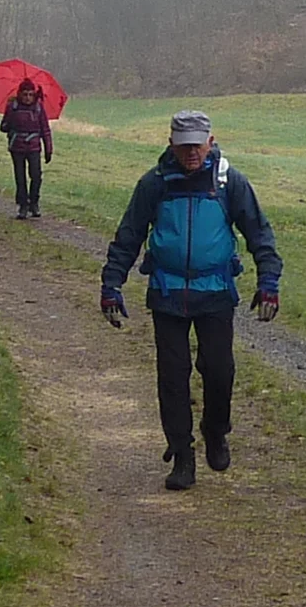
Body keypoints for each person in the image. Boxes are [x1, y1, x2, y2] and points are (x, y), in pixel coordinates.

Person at [99, 110, 283, 491]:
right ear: (171, 145)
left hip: (215, 293)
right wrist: (111, 285)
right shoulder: (154, 184)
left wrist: (268, 281)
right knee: (172, 376)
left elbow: (259, 233)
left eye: (197, 145)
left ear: (210, 142)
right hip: (167, 294)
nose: (191, 153)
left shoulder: (230, 183)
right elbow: (129, 235)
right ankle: (182, 453)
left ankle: (215, 431)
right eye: (184, 147)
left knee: (219, 371)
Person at [0, 78, 53, 219]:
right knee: (20, 177)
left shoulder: (39, 108)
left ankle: (34, 202)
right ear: (20, 94)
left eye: (30, 94)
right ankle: (23, 205)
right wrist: (9, 122)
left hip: (34, 146)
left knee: (36, 176)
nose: (28, 97)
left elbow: (45, 130)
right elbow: (3, 127)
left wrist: (48, 149)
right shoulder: (13, 106)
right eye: (25, 94)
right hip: (17, 146)